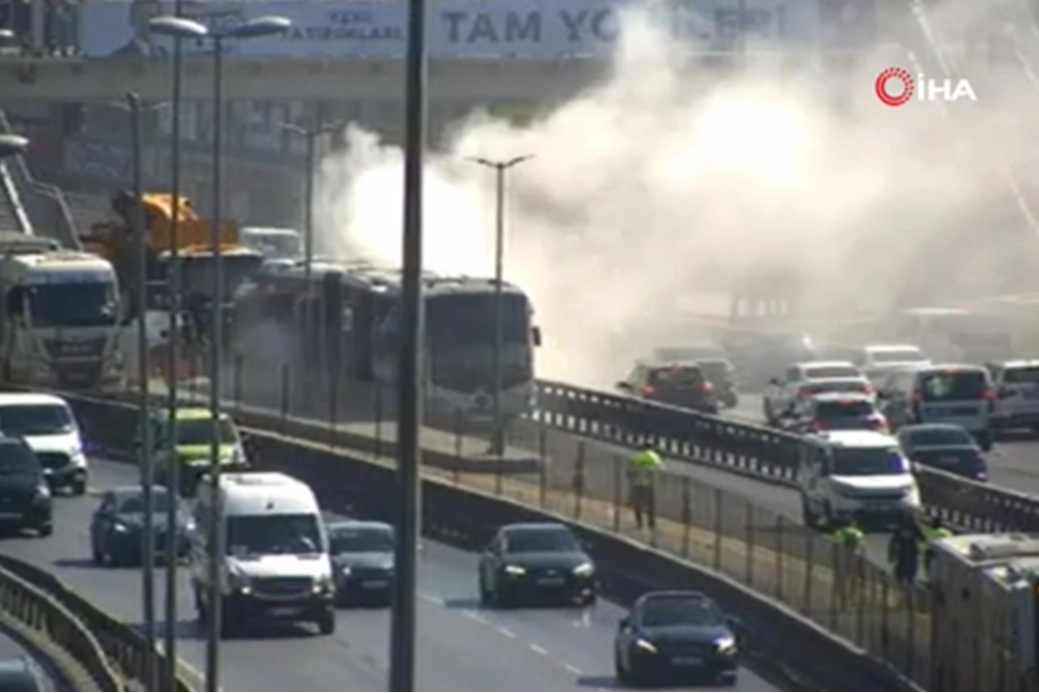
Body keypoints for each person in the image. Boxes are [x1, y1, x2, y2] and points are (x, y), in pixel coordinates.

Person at [830, 516, 864, 606]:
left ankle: (841, 598)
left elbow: (835, 546)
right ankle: (851, 598)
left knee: (840, 578)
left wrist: (835, 559)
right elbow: (860, 548)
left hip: (841, 556)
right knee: (853, 579)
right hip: (853, 557)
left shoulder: (839, 532)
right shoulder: (857, 533)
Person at [628, 446, 662, 530]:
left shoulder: (636, 457)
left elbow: (630, 471)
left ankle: (639, 523)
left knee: (637, 505)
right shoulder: (654, 457)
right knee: (650, 505)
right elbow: (660, 469)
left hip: (637, 483)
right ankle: (651, 523)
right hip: (649, 484)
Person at [888, 513, 924, 588]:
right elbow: (922, 538)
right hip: (909, 554)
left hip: (906, 554)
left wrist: (891, 554)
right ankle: (906, 588)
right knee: (907, 574)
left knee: (903, 574)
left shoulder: (902, 528)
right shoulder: (913, 528)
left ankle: (904, 588)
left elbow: (893, 542)